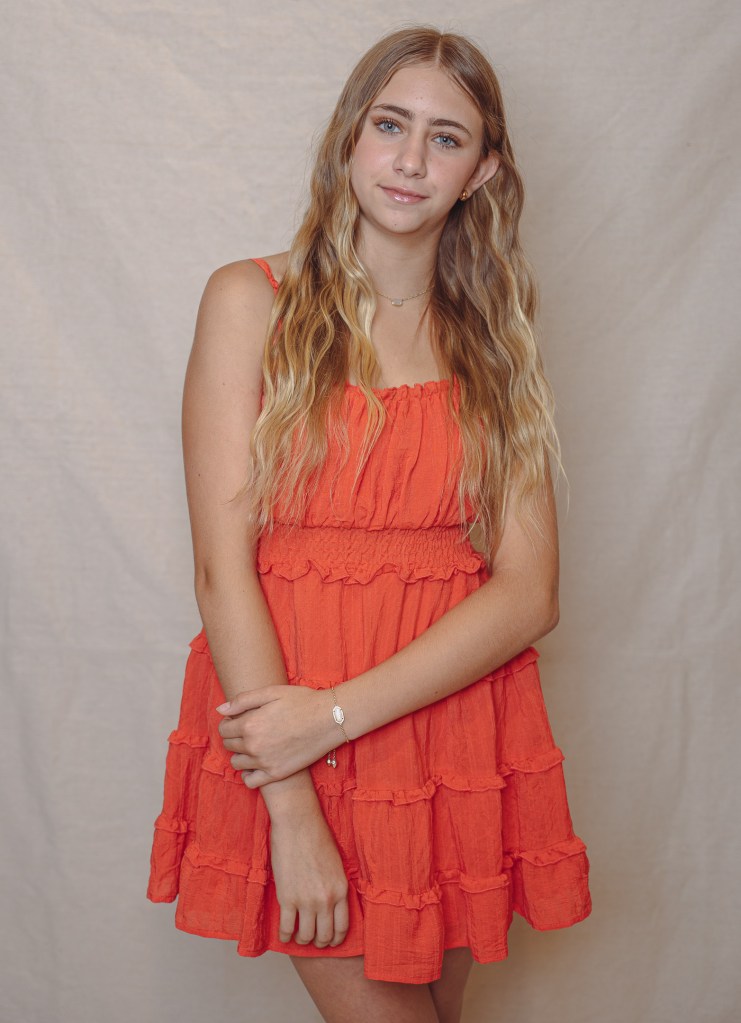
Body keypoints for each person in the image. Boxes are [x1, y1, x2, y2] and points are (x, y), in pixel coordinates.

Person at [147, 25, 592, 1023]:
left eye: (446, 137)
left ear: (482, 172)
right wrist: (292, 799)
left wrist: (339, 713)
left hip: (450, 732)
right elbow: (222, 570)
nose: (410, 159)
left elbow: (530, 591)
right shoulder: (249, 302)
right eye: (390, 125)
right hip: (293, 739)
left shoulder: (495, 339)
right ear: (350, 136)